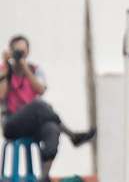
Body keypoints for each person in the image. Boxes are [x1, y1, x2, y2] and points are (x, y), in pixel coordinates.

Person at [0, 35, 96, 182]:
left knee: (52, 128)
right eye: (17, 51)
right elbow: (1, 95)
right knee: (40, 105)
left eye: (23, 51)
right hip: (12, 123)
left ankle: (44, 175)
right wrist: (7, 68)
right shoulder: (4, 70)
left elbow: (40, 90)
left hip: (33, 123)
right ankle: (72, 135)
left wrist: (25, 68)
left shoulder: (35, 70)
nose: (20, 55)